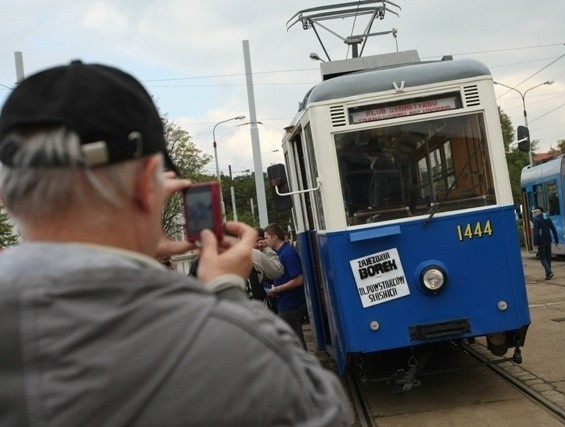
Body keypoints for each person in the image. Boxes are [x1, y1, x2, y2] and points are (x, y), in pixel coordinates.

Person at [0, 60, 350, 426]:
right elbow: (323, 412)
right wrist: (226, 291)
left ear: (6, 196)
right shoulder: (227, 344)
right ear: (148, 183)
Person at [264, 222, 308, 349]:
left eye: (266, 237)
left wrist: (276, 289)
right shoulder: (281, 252)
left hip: (291, 304)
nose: (265, 241)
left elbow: (298, 279)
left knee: (294, 340)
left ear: (274, 237)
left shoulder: (287, 253)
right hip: (286, 302)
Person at [532, 206, 559, 280]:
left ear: (539, 212)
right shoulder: (547, 218)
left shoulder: (536, 220)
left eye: (535, 212)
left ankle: (549, 272)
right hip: (548, 241)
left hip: (541, 242)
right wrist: (556, 240)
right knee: (548, 258)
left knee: (543, 258)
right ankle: (548, 274)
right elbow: (553, 229)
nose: (534, 213)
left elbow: (536, 232)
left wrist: (535, 243)